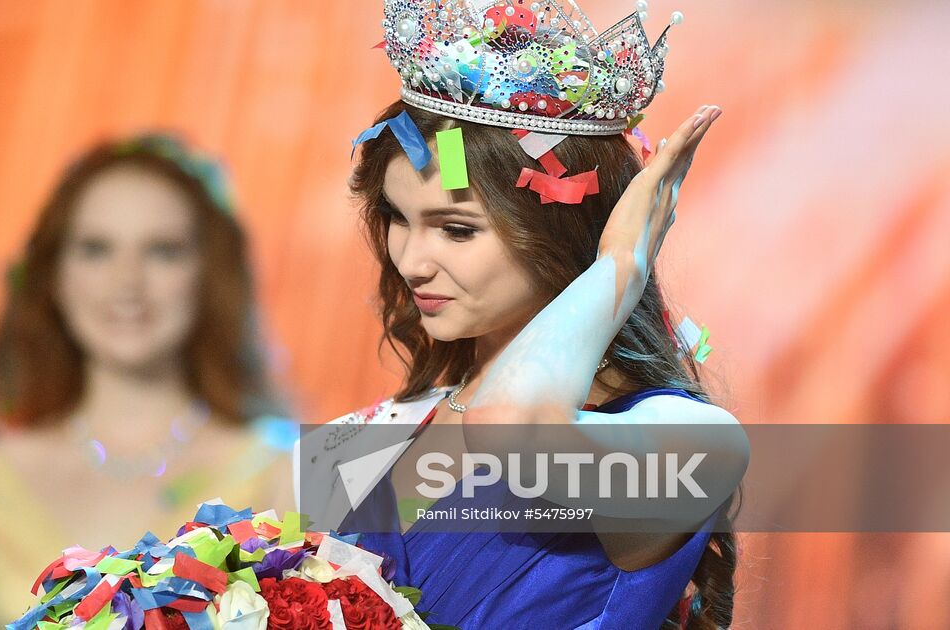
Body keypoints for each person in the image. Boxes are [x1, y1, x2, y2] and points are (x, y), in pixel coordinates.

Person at [298, 2, 748, 628]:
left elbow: (512, 429)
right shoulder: (369, 434)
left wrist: (619, 265)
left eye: (456, 230)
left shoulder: (691, 442)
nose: (412, 261)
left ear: (561, 231)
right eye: (398, 219)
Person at [0, 134, 295, 628]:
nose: (126, 281)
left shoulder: (279, 471)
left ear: (210, 273)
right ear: (54, 274)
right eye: (95, 249)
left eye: (163, 251)